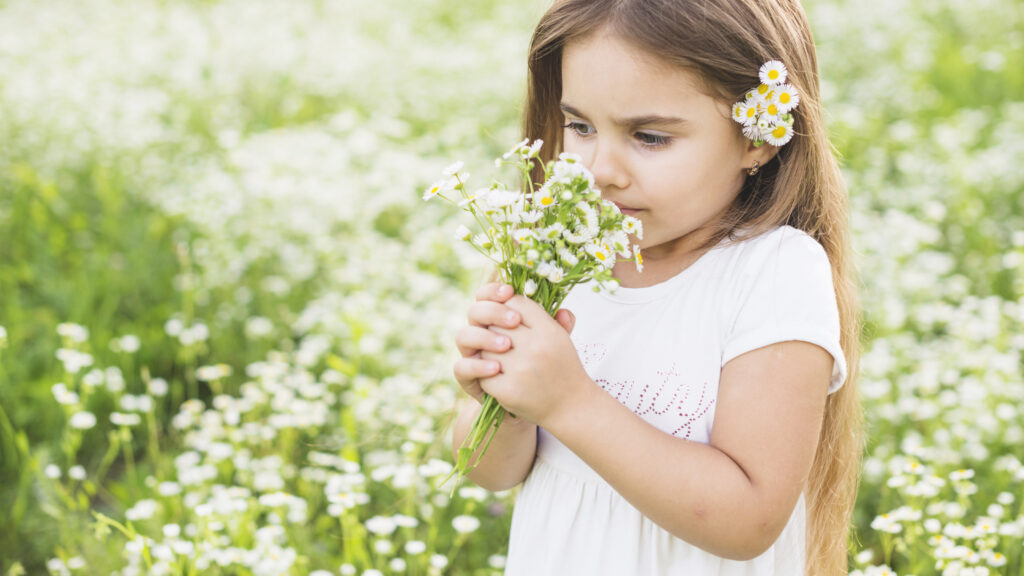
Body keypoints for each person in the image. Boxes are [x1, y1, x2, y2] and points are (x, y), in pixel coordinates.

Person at [451, 0, 863, 574]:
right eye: (580, 127)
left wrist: (569, 403)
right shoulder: (555, 257)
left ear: (758, 139)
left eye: (648, 136)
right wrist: (504, 403)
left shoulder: (770, 273)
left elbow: (749, 521)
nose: (601, 169)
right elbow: (490, 473)